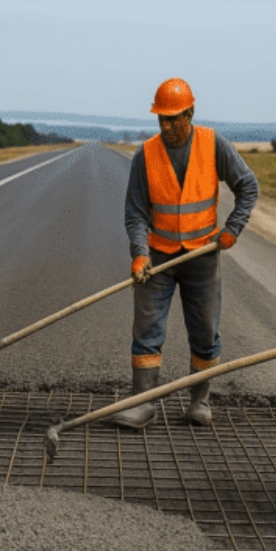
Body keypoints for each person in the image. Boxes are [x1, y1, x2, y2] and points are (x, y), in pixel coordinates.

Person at [112, 77, 259, 428]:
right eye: (161, 118)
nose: (166, 126)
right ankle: (143, 404)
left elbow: (248, 186)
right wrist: (140, 253)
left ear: (190, 113)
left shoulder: (213, 144)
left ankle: (199, 402)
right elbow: (135, 213)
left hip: (202, 256)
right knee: (147, 331)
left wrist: (233, 228)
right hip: (159, 257)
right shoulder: (146, 154)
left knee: (205, 331)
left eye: (173, 118)